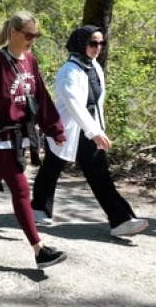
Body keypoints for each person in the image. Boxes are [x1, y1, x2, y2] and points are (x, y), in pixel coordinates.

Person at [0, 11, 69, 269]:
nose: (32, 40)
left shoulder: (30, 61)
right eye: (29, 35)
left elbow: (40, 97)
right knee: (21, 189)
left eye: (36, 35)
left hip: (21, 134)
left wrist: (55, 128)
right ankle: (39, 249)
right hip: (0, 136)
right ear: (13, 32)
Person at [31, 26, 148, 236]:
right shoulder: (69, 71)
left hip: (88, 130)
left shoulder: (94, 67)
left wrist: (99, 128)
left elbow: (96, 103)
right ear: (81, 43)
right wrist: (93, 131)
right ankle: (120, 219)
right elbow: (75, 104)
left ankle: (121, 219)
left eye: (101, 43)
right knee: (53, 168)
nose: (98, 48)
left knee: (92, 173)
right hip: (69, 130)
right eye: (93, 43)